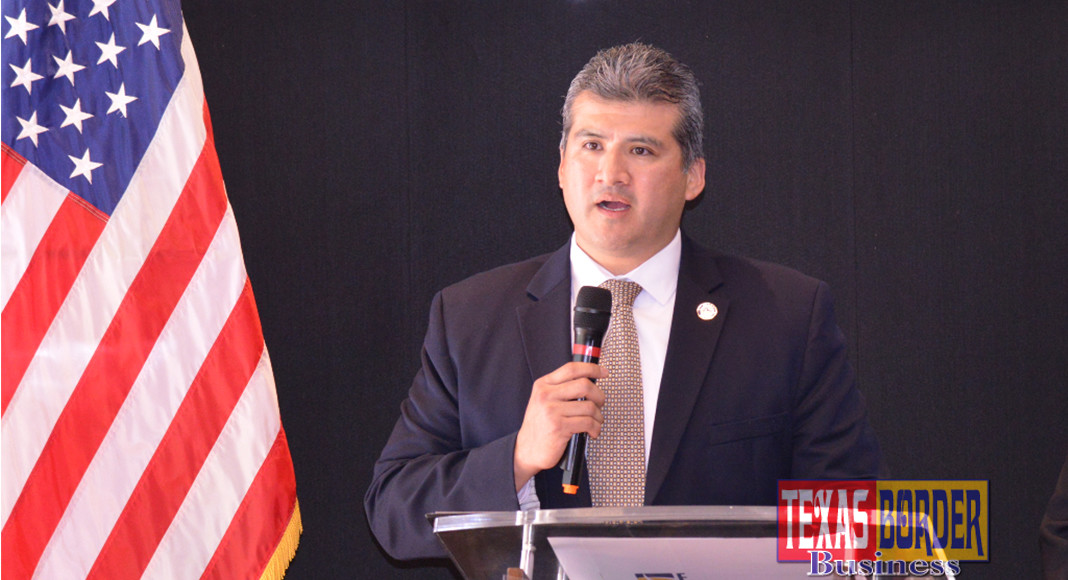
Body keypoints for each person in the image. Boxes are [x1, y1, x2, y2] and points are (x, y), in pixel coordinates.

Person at [364, 42, 886, 561]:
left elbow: (851, 522)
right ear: (562, 166)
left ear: (693, 177)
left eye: (641, 150)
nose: (610, 173)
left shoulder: (786, 315)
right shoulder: (470, 318)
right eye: (592, 145)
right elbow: (393, 509)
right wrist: (517, 458)